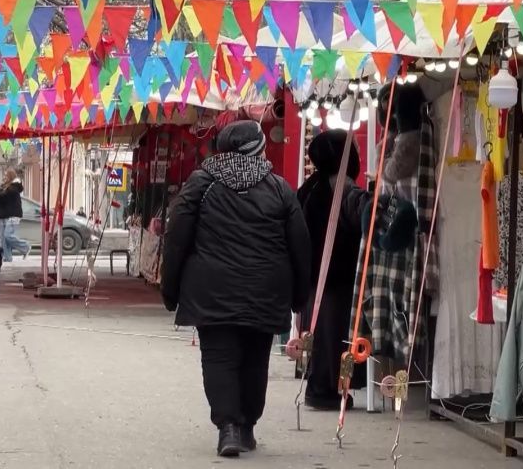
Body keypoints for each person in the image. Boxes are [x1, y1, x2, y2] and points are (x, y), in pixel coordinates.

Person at [161, 121, 311, 458]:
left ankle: (227, 427)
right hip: (266, 289)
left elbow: (177, 237)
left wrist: (170, 289)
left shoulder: (201, 183)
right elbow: (300, 246)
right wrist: (300, 296)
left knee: (219, 357)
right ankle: (247, 428)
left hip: (212, 289)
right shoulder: (279, 188)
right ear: (259, 148)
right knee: (256, 359)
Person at [296, 130, 417, 411]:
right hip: (337, 278)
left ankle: (320, 386)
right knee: (334, 338)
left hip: (314, 276)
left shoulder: (310, 187)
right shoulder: (341, 187)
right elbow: (363, 211)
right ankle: (327, 390)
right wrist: (384, 203)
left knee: (319, 336)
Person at [0, 168, 30, 262]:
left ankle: (25, 247)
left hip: (13, 215)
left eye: (6, 175)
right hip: (4, 215)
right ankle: (7, 257)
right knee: (3, 239)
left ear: (10, 176)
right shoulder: (5, 187)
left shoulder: (13, 187)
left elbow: (0, 196)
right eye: (4, 175)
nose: (4, 177)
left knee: (8, 235)